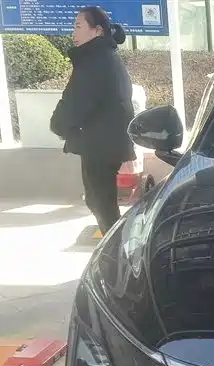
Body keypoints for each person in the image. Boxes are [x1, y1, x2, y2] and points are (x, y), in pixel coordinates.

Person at [50, 6, 136, 235]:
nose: (73, 33)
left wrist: (57, 124)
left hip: (100, 144)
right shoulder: (104, 57)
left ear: (97, 31)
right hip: (105, 141)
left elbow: (76, 101)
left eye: (79, 26)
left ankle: (116, 251)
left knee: (101, 204)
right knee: (100, 202)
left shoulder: (95, 60)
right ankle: (115, 248)